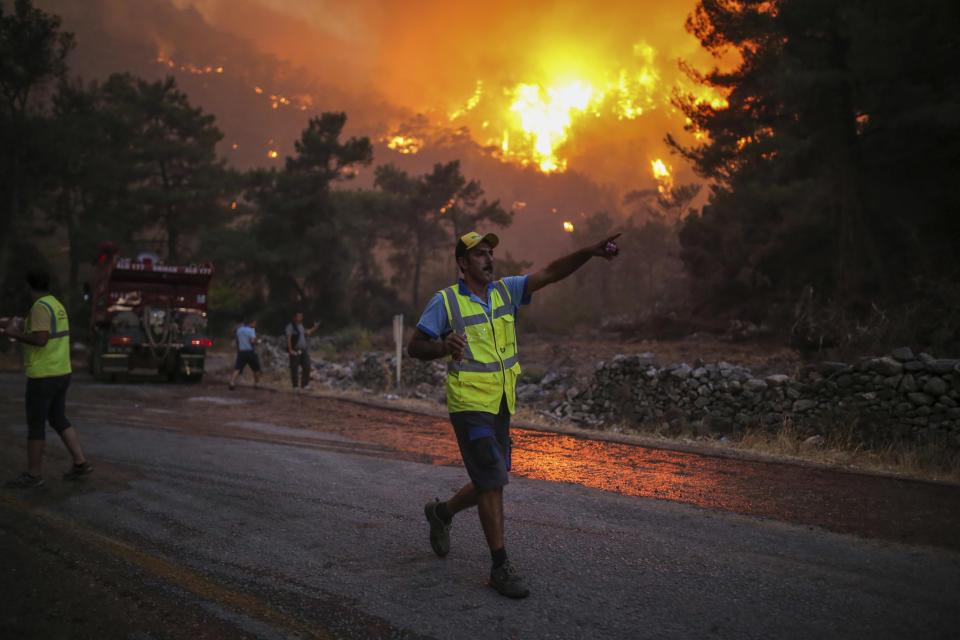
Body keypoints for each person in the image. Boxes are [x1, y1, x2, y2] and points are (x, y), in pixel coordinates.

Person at [408, 229, 620, 598]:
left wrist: (588, 251)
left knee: (492, 475)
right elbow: (415, 346)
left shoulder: (506, 292)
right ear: (462, 262)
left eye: (491, 252)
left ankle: (443, 512)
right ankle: (500, 566)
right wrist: (444, 345)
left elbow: (553, 272)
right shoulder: (446, 302)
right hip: (469, 404)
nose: (489, 259)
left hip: (502, 403)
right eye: (480, 254)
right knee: (492, 480)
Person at [2, 269, 93, 488]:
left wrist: (13, 334)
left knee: (36, 425)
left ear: (28, 286)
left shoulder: (40, 307)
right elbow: (40, 327)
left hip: (44, 375)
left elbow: (41, 338)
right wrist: (13, 322)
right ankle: (80, 463)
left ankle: (34, 475)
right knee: (58, 418)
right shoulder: (56, 305)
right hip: (61, 372)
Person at [285, 311, 319, 390]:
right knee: (294, 368)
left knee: (307, 366)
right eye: (299, 316)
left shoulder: (301, 326)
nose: (300, 318)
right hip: (295, 350)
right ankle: (295, 386)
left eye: (301, 316)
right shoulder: (290, 327)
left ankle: (304, 385)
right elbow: (288, 339)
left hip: (303, 350)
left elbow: (307, 332)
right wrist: (290, 350)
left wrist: (314, 328)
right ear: (294, 317)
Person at [228, 316, 261, 390]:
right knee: (256, 368)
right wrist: (258, 342)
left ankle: (232, 382)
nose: (255, 324)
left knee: (238, 367)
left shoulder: (239, 330)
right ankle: (257, 384)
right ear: (250, 323)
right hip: (250, 351)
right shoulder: (251, 330)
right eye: (254, 323)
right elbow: (252, 341)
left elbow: (237, 339)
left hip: (241, 351)